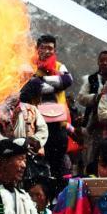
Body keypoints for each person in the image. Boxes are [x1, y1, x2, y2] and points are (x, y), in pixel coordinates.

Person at [32, 35, 73, 178]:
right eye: (43, 47)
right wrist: (54, 84)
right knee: (37, 160)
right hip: (35, 122)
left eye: (50, 48)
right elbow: (27, 87)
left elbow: (67, 81)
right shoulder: (29, 66)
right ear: (37, 49)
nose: (47, 51)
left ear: (55, 50)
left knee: (58, 161)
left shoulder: (59, 66)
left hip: (58, 122)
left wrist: (39, 82)